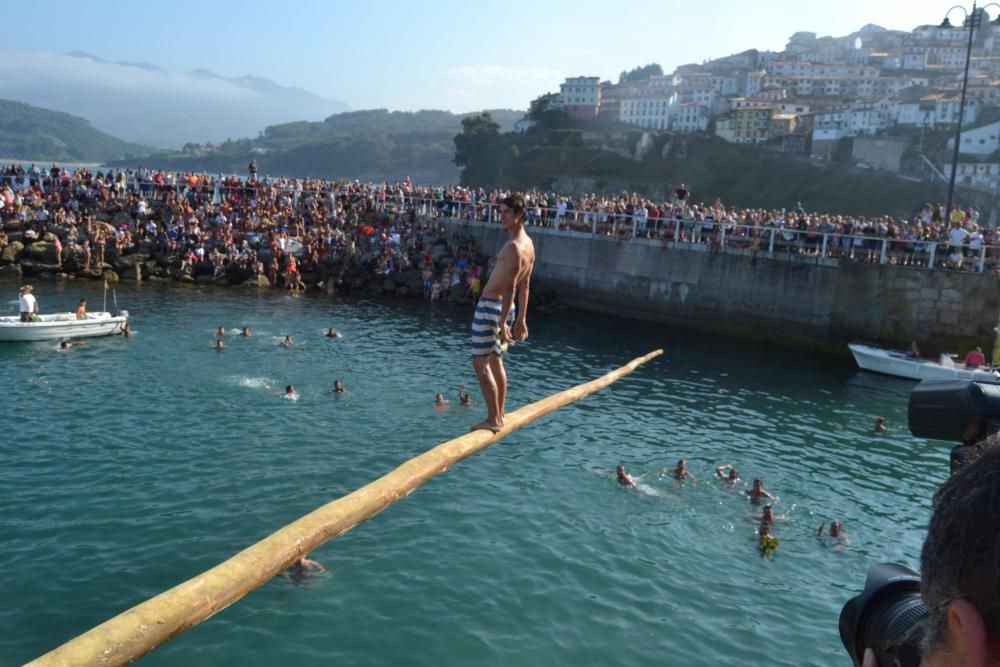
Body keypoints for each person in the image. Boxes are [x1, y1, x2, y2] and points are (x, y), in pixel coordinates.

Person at [470, 194, 535, 433]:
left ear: (519, 216)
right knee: (496, 361)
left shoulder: (513, 247)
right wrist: (520, 319)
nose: (502, 216)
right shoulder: (528, 244)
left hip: (491, 306)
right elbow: (525, 286)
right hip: (504, 308)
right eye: (500, 211)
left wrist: (503, 321)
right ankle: (500, 413)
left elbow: (510, 287)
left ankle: (493, 419)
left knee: (481, 363)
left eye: (506, 212)